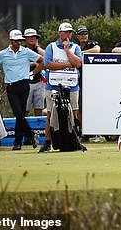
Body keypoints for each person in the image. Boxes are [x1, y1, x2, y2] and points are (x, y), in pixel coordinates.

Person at [0, 29, 44, 151]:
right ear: (11, 41)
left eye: (20, 41)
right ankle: (32, 135)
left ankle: (18, 142)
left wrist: (32, 73)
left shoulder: (26, 52)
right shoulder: (3, 54)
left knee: (20, 115)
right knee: (18, 113)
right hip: (11, 87)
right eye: (16, 41)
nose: (19, 43)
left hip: (24, 85)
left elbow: (42, 61)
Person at [38, 22, 83, 153]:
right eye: (66, 32)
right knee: (51, 114)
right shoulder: (51, 47)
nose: (68, 34)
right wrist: (67, 64)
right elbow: (48, 65)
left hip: (72, 84)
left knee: (73, 113)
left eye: (70, 32)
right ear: (59, 33)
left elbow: (78, 63)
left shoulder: (75, 48)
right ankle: (47, 142)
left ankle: (76, 141)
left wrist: (67, 50)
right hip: (53, 84)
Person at [75, 25, 101, 141]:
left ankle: (94, 131)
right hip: (77, 78)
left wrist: (80, 53)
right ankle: (82, 131)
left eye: (85, 33)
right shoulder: (74, 45)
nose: (83, 35)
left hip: (91, 79)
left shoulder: (92, 43)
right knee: (79, 106)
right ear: (77, 36)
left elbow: (97, 50)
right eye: (81, 34)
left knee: (92, 105)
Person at [23, 28, 46, 117]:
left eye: (34, 37)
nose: (32, 39)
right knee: (25, 109)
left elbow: (46, 57)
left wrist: (37, 47)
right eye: (30, 37)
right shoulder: (22, 50)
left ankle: (38, 129)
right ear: (25, 39)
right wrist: (35, 63)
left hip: (39, 82)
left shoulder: (38, 50)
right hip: (26, 82)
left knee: (39, 109)